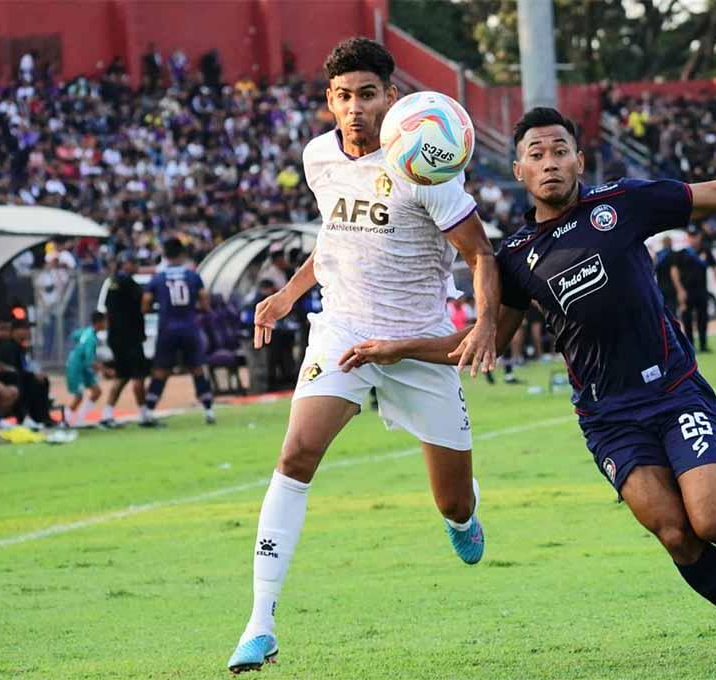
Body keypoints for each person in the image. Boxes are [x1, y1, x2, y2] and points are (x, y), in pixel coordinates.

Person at [340, 107, 716, 658]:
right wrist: (399, 348)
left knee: (715, 521)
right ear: (518, 170)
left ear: (579, 160)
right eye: (537, 155)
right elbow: (486, 341)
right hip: (608, 417)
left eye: (560, 150)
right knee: (674, 533)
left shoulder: (621, 204)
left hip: (673, 389)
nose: (550, 163)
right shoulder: (516, 259)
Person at [227, 37, 500, 674]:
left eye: (368, 95)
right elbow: (333, 238)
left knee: (453, 503)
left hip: (419, 345)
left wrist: (485, 322)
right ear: (329, 101)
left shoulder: (426, 165)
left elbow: (480, 255)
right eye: (344, 96)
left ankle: (465, 516)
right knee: (295, 455)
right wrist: (290, 294)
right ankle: (260, 622)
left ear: (392, 97)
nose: (356, 108)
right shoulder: (318, 156)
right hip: (343, 333)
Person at [142, 237, 216, 426]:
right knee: (197, 369)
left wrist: (156, 309)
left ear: (164, 255)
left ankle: (149, 411)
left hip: (167, 329)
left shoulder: (158, 278)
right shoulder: (193, 276)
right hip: (189, 327)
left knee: (160, 371)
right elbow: (204, 301)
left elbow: (145, 304)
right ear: (183, 254)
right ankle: (208, 410)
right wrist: (198, 309)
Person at [102, 251, 151, 428]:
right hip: (130, 338)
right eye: (134, 262)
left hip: (116, 338)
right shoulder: (129, 284)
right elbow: (144, 304)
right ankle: (145, 415)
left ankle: (107, 415)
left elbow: (108, 312)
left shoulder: (112, 283)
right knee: (139, 376)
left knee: (122, 376)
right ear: (126, 264)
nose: (136, 266)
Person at [672, 226, 716, 353]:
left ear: (699, 237)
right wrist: (679, 289)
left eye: (695, 236)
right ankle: (690, 346)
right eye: (690, 236)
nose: (693, 239)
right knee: (687, 319)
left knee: (703, 318)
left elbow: (714, 266)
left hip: (701, 290)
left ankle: (703, 344)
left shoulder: (705, 251)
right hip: (687, 290)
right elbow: (674, 271)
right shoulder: (682, 253)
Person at [65, 312, 106, 427]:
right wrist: (106, 370)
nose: (106, 324)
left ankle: (80, 419)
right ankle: (65, 420)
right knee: (79, 396)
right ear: (99, 323)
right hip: (76, 367)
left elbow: (74, 335)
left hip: (83, 367)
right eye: (105, 321)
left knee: (97, 392)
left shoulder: (87, 331)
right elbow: (90, 361)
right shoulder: (91, 339)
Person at [654, 235, 678, 311]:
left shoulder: (658, 254)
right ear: (671, 243)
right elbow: (673, 272)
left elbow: (653, 269)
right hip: (672, 287)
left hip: (660, 287)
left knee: (663, 311)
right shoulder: (673, 254)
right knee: (672, 310)